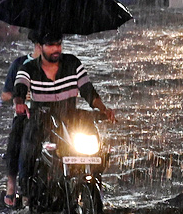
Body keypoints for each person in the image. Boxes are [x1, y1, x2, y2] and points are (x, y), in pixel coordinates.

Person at [12, 32, 115, 195]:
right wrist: (19, 104)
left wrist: (103, 109)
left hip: (71, 117)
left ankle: (95, 181)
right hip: (42, 119)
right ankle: (26, 190)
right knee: (28, 145)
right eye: (51, 45)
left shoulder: (72, 63)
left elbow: (88, 91)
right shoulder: (28, 68)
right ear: (40, 46)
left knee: (96, 146)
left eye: (58, 44)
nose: (56, 49)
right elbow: (19, 89)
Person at [0, 37, 41, 207]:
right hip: (25, 115)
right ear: (39, 44)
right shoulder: (20, 64)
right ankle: (12, 187)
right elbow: (5, 95)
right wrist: (20, 100)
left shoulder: (58, 66)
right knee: (17, 139)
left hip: (50, 115)